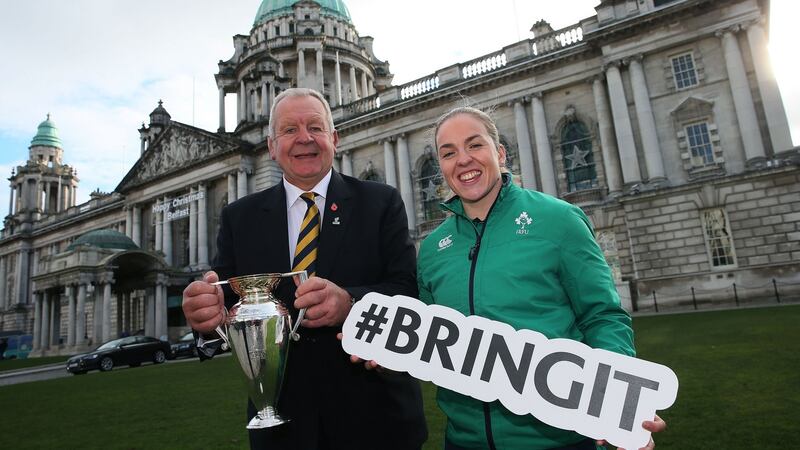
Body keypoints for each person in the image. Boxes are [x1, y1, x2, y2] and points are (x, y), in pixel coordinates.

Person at [182, 88, 427, 450]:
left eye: (316, 127)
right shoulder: (239, 218)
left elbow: (407, 292)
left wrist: (350, 304)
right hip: (283, 427)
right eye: (290, 130)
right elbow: (228, 302)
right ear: (271, 146)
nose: (305, 139)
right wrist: (206, 317)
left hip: (377, 420)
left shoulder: (381, 201)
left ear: (334, 138)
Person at [414, 106, 663, 450]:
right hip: (463, 441)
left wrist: (620, 403)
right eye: (448, 152)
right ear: (441, 167)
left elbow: (602, 316)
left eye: (475, 145)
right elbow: (431, 342)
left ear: (499, 153)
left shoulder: (559, 219)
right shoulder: (431, 250)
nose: (463, 160)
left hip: (557, 440)